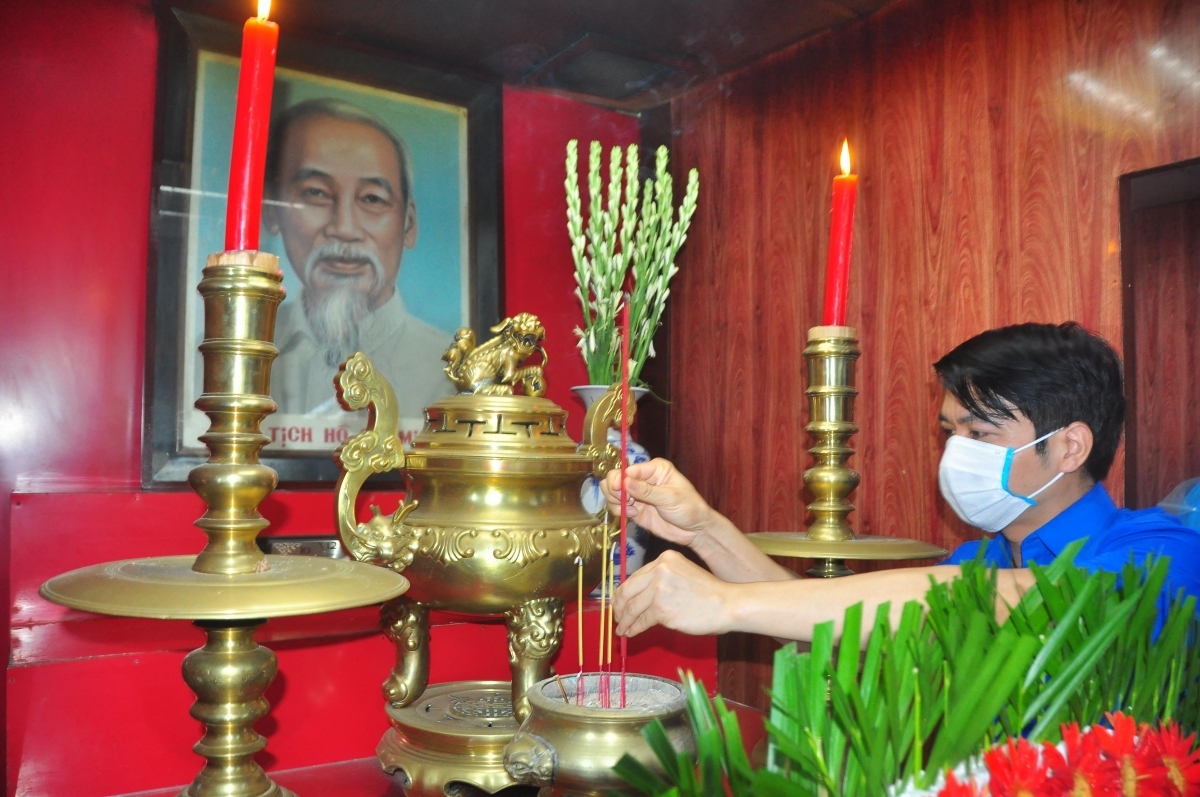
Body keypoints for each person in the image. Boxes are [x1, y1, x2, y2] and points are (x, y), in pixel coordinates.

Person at [602, 322, 1200, 642]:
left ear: (1070, 446)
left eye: (980, 434)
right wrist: (704, 529)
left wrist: (725, 601)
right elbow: (827, 628)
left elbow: (980, 605)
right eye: (949, 433)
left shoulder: (1161, 554)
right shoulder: (982, 558)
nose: (954, 454)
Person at [263, 98, 453, 416]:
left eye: (372, 199)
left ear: (408, 223)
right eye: (316, 193)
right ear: (273, 212)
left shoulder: (451, 371)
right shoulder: (230, 354)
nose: (345, 229)